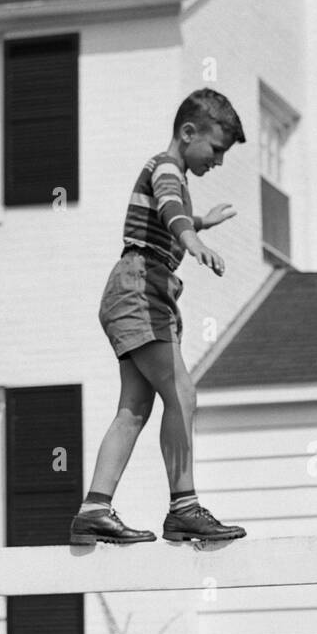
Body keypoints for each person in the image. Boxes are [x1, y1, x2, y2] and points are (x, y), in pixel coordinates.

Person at [71, 88, 248, 547]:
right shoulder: (166, 166)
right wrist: (193, 239)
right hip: (140, 287)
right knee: (182, 395)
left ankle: (94, 509)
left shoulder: (169, 173)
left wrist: (201, 222)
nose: (219, 162)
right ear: (188, 132)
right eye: (215, 149)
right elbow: (170, 209)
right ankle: (184, 508)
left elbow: (171, 210)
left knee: (134, 408)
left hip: (139, 289)